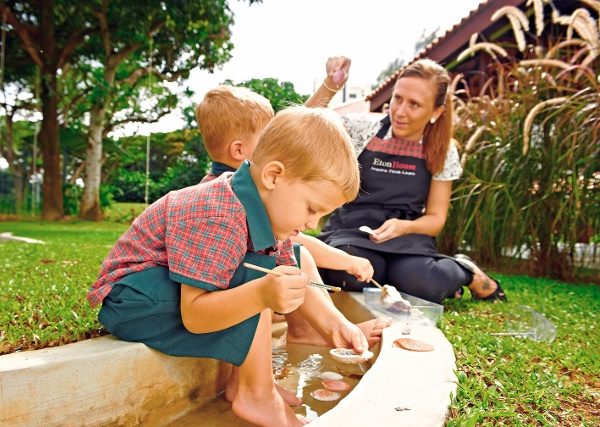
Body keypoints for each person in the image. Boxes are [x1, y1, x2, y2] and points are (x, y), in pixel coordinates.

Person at [88, 106, 370, 427]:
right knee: (257, 282)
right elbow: (195, 315)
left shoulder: (266, 215)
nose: (312, 223)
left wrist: (337, 327)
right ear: (273, 176)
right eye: (311, 208)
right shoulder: (218, 213)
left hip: (164, 293)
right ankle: (256, 393)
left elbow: (295, 280)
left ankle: (250, 383)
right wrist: (263, 294)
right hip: (133, 299)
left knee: (263, 277)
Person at [195, 58, 391, 347]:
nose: (277, 141)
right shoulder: (225, 195)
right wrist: (346, 260)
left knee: (294, 255)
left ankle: (311, 329)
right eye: (267, 137)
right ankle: (307, 331)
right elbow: (297, 243)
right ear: (239, 150)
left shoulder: (245, 185)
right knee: (298, 255)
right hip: (212, 297)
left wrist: (328, 88)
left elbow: (287, 242)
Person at [318, 58, 507, 304]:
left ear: (436, 112)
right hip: (352, 232)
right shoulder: (361, 128)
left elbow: (436, 219)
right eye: (397, 99)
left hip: (408, 238)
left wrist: (404, 227)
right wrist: (329, 86)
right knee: (350, 276)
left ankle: (466, 270)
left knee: (420, 283)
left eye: (414, 104)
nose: (400, 111)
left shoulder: (442, 149)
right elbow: (301, 126)